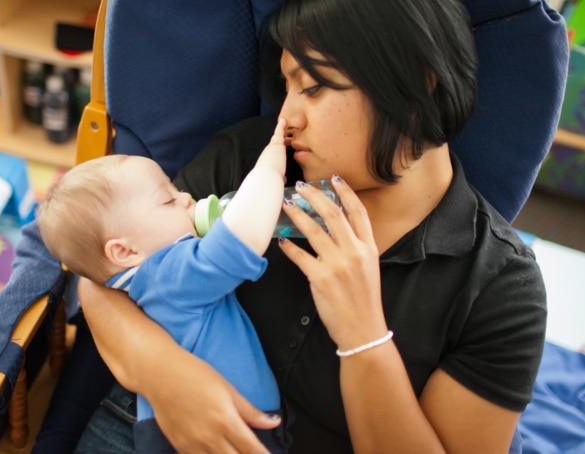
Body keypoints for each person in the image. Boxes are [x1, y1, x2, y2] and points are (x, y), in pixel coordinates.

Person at [75, 0, 548, 453]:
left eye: (314, 87)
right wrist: (168, 379)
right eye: (286, 89)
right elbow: (104, 277)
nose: (286, 119)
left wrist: (364, 336)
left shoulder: (500, 287)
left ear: (417, 82)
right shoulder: (253, 161)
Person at [36, 120, 292, 453]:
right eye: (167, 201)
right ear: (125, 251)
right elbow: (244, 236)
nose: (186, 198)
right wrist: (272, 165)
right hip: (215, 431)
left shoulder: (137, 284)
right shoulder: (168, 273)